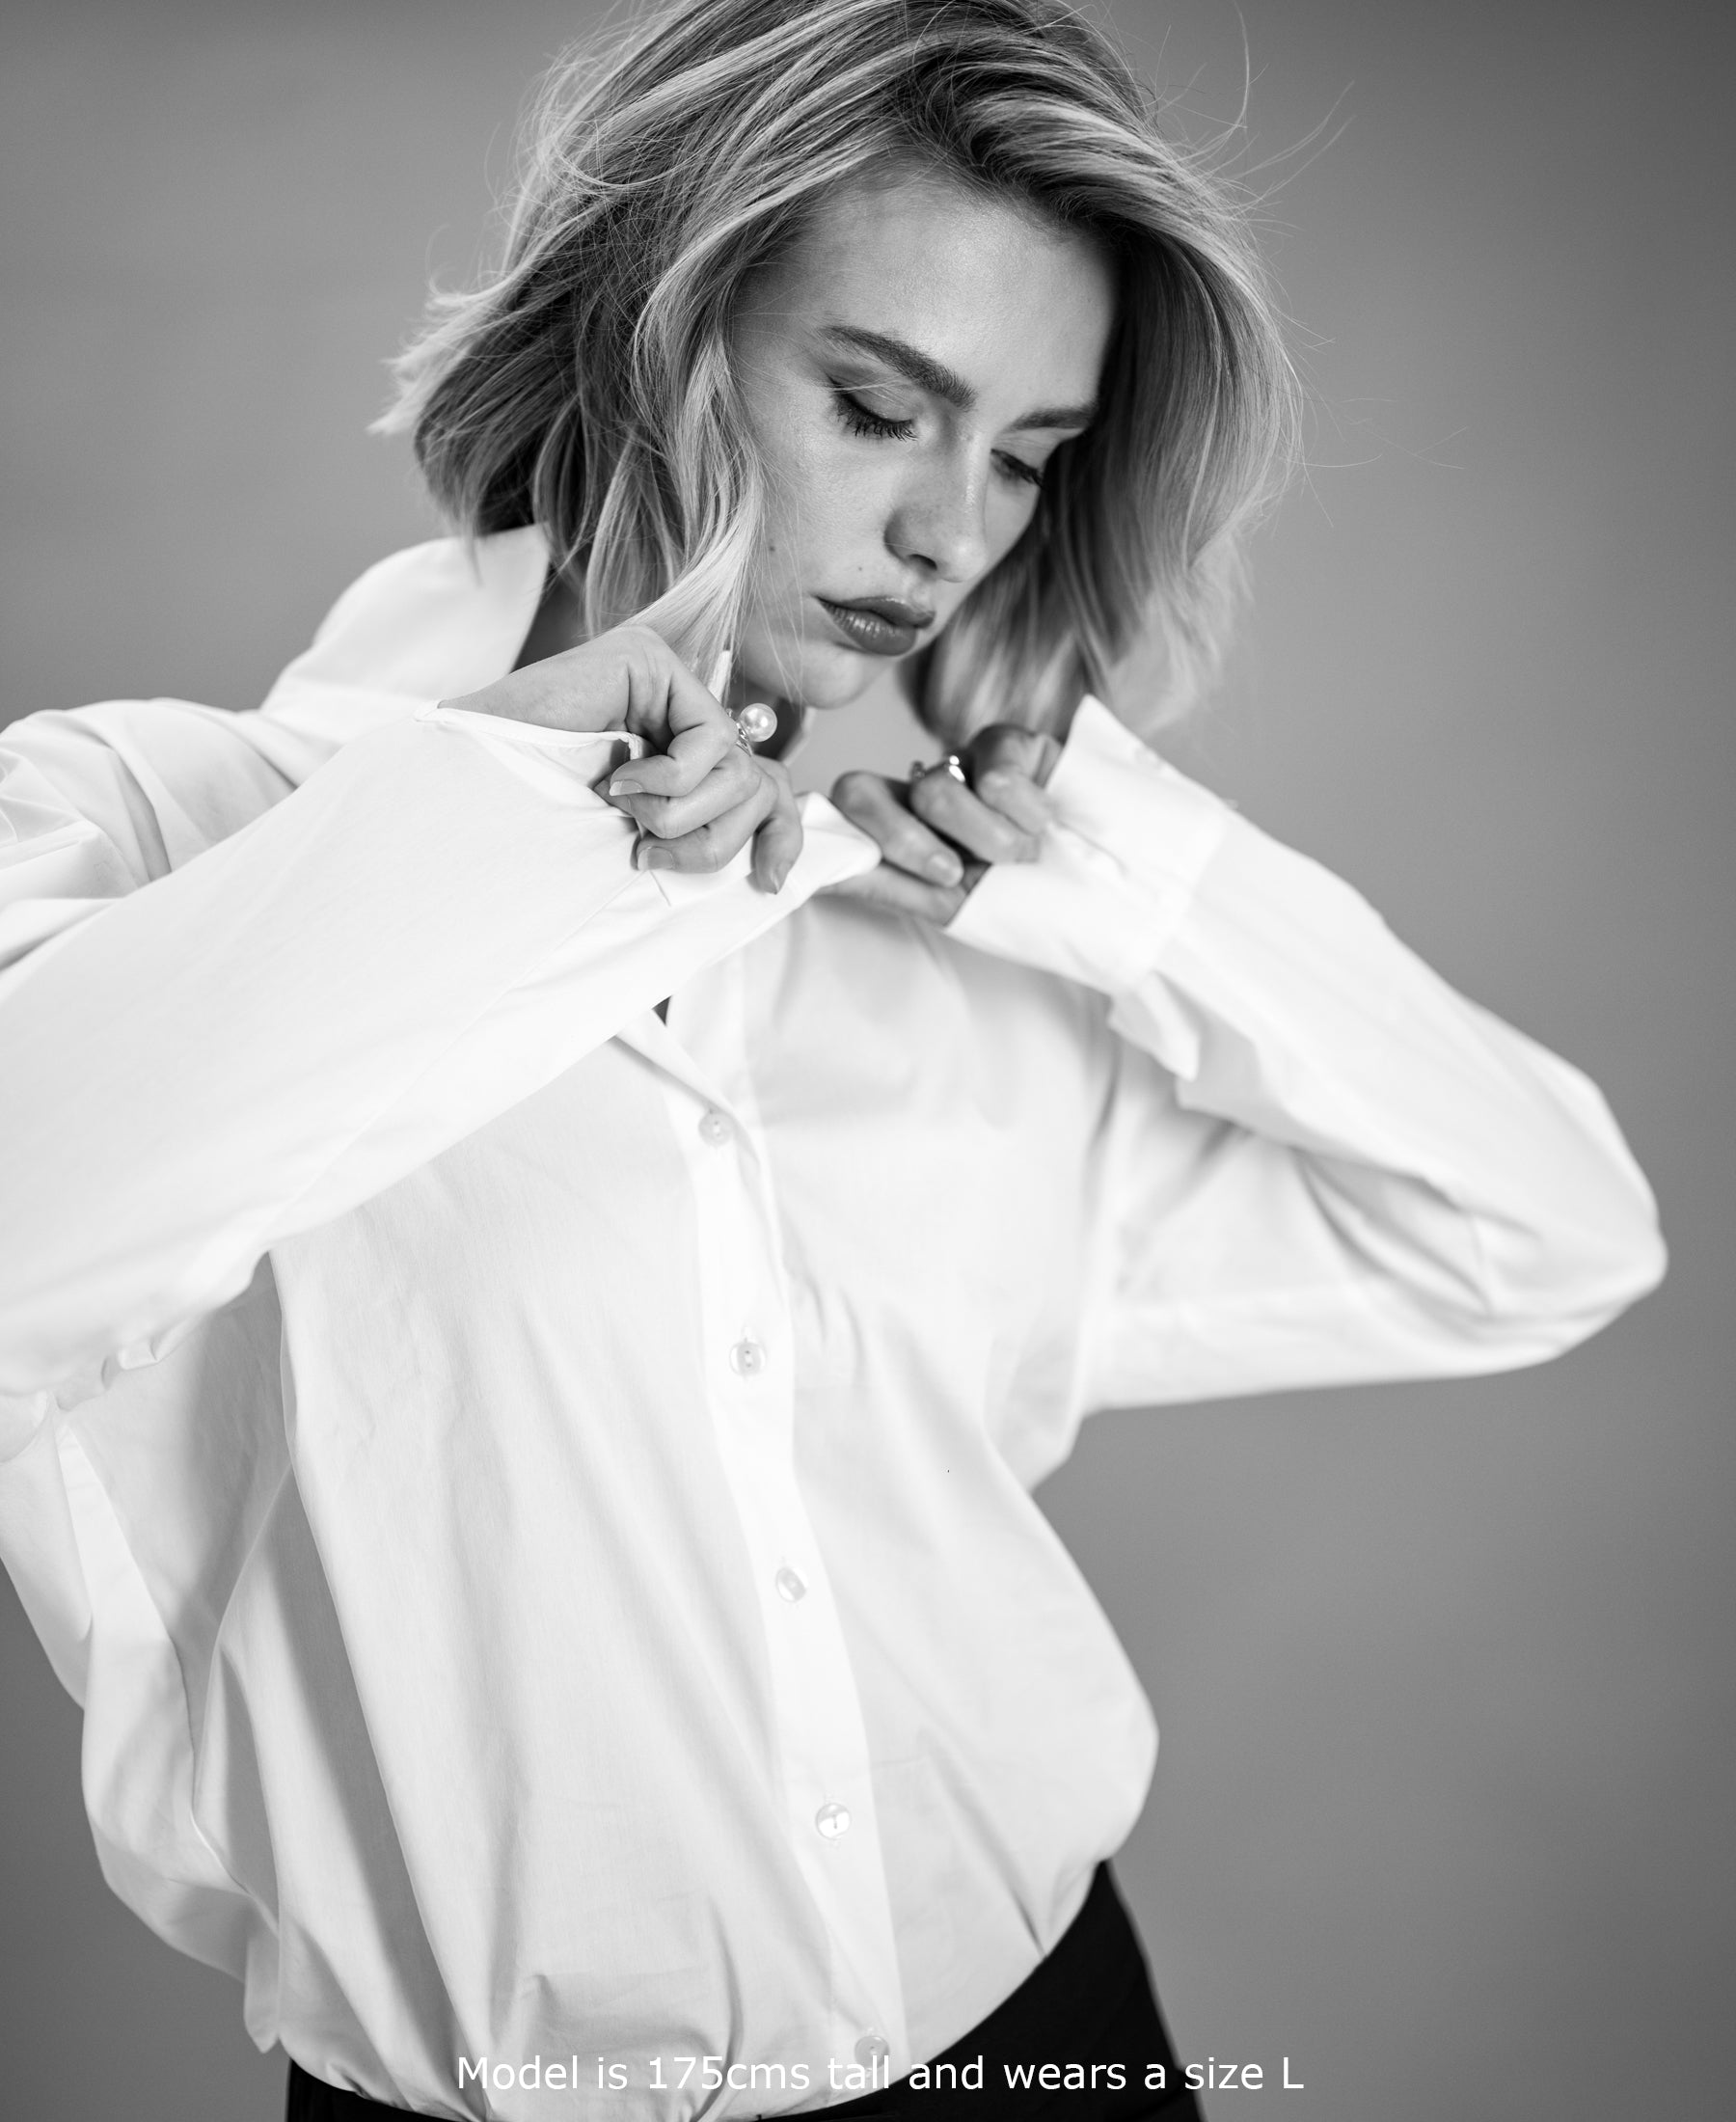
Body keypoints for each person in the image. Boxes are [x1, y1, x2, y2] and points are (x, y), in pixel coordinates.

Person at [0, 2, 1666, 2118]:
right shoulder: (144, 829)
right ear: (642, 342)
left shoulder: (935, 950)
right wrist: (512, 796)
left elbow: (1541, 1232)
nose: (955, 531)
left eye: (1030, 457)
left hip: (1062, 2043)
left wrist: (1107, 864)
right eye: (880, 406)